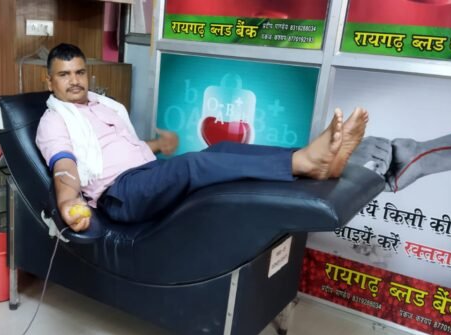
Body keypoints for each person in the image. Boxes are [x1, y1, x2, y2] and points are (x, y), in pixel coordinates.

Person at [36, 43, 369, 232]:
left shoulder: (103, 105)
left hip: (145, 175)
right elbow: (64, 165)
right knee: (194, 164)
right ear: (49, 82)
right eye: (64, 75)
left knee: (222, 147)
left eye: (79, 72)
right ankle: (305, 162)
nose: (74, 80)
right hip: (120, 195)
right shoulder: (54, 121)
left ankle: (312, 159)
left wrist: (156, 146)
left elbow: (120, 149)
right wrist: (68, 202)